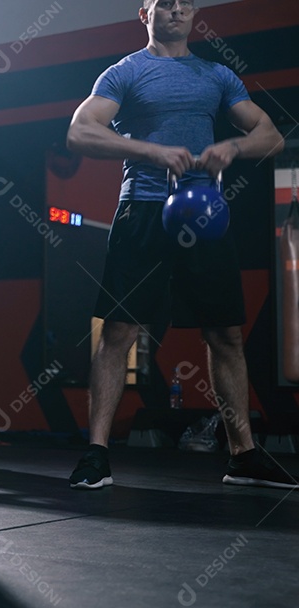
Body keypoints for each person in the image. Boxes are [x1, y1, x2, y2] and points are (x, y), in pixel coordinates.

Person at [66, 0, 295, 489]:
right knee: (119, 334)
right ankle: (97, 454)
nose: (176, 11)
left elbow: (271, 135)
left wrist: (232, 146)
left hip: (205, 214)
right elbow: (80, 132)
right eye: (163, 4)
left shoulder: (216, 75)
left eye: (184, 4)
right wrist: (149, 150)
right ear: (144, 13)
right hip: (143, 211)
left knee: (226, 334)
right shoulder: (125, 72)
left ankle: (243, 455)